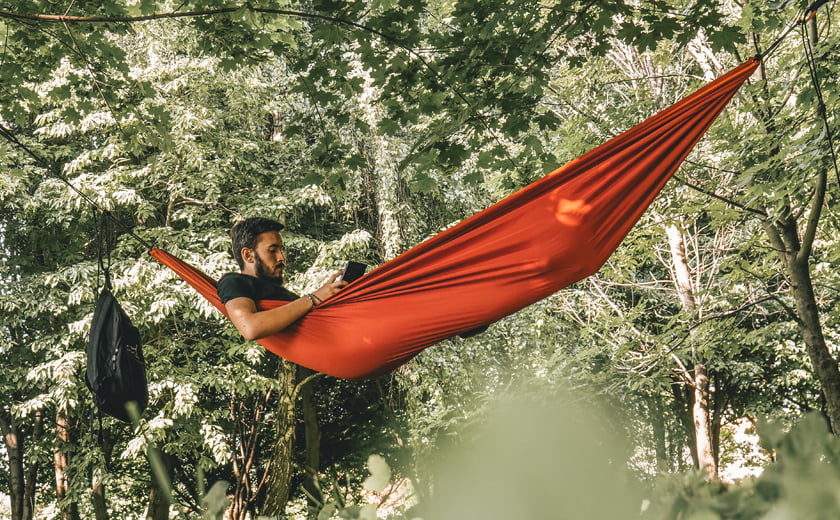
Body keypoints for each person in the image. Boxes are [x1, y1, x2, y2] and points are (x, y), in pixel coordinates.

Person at [217, 217, 347, 341]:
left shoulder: (281, 295)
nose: (281, 257)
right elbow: (250, 328)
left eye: (281, 250)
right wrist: (313, 298)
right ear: (248, 255)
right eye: (272, 250)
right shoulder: (233, 281)